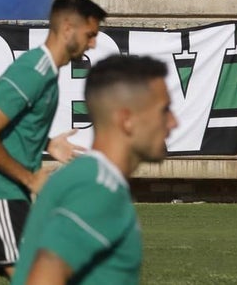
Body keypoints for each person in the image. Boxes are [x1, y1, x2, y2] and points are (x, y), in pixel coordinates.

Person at [0, 0, 106, 280]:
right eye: (90, 34)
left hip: (9, 193)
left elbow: (15, 126)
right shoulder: (33, 71)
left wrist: (48, 143)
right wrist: (30, 178)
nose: (93, 43)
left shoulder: (48, 73)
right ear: (67, 29)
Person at [11, 55, 177, 285]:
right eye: (164, 110)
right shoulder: (96, 187)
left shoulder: (92, 178)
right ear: (126, 119)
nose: (173, 122)